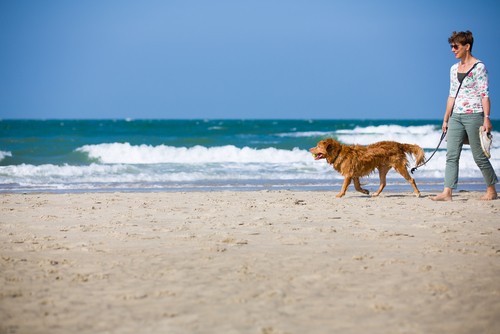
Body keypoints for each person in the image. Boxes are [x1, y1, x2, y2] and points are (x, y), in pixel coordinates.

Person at [431, 30, 497, 201]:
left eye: (456, 46)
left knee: (479, 156)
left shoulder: (479, 67)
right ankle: (447, 192)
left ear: (467, 47)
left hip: (474, 115)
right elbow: (451, 95)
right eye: (452, 46)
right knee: (451, 155)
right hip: (456, 116)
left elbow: (485, 95)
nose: (453, 49)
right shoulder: (454, 69)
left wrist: (487, 118)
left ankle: (491, 190)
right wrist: (446, 119)